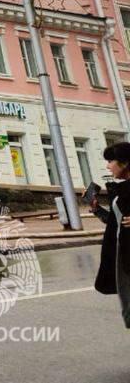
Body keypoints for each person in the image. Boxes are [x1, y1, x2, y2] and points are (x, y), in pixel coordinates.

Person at [89, 141, 130, 328]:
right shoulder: (122, 190)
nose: (108, 166)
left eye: (111, 161)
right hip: (124, 258)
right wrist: (97, 210)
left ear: (125, 163)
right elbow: (115, 222)